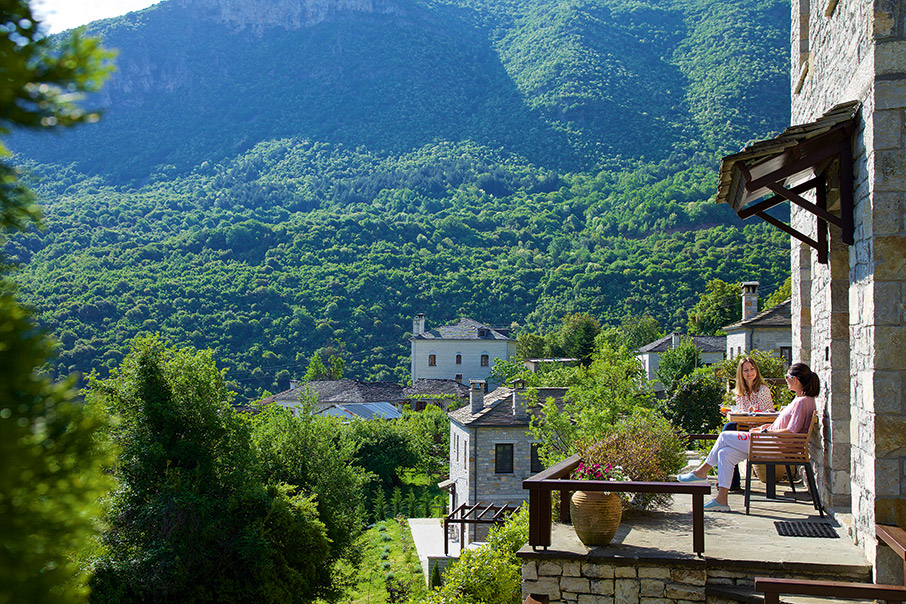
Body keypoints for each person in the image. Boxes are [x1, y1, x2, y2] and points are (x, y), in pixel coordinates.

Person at [678, 362, 819, 511]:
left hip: (772, 446)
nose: (785, 380)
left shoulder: (802, 402)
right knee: (724, 454)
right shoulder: (801, 400)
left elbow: (792, 430)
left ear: (795, 379)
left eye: (787, 377)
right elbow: (787, 427)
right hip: (771, 443)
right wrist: (765, 427)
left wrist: (766, 432)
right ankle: (721, 500)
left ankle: (701, 472)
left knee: (725, 436)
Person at [722, 357, 774, 490]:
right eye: (746, 370)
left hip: (760, 430)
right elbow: (743, 413)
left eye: (752, 369)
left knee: (727, 432)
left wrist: (745, 415)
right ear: (741, 373)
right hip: (746, 427)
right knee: (725, 445)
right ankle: (732, 483)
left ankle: (731, 483)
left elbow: (764, 416)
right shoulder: (740, 393)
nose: (749, 373)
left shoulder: (763, 390)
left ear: (756, 370)